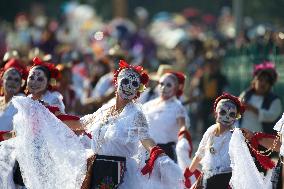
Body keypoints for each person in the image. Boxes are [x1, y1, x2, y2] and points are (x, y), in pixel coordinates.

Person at [1, 60, 183, 189]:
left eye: (134, 84)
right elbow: (80, 123)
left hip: (120, 174)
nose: (128, 86)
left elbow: (146, 137)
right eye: (125, 81)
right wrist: (48, 114)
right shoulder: (106, 110)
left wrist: (156, 154)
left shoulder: (136, 114)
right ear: (116, 83)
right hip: (95, 169)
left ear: (138, 91)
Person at [184, 93, 245, 189]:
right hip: (207, 178)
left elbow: (241, 163)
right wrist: (188, 173)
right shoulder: (210, 131)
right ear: (216, 113)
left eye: (232, 114)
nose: (227, 117)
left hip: (225, 181)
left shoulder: (235, 136)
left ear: (235, 118)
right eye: (223, 112)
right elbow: (199, 154)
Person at [143, 71, 190, 161]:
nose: (163, 87)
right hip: (146, 151)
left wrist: (183, 139)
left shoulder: (177, 107)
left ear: (176, 88)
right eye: (161, 84)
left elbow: (182, 127)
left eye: (168, 85)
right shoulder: (148, 105)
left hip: (165, 153)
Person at [239, 61, 282, 134]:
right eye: (261, 79)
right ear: (254, 81)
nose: (263, 83)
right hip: (242, 136)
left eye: (267, 81)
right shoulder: (246, 94)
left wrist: (253, 109)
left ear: (270, 85)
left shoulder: (274, 100)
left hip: (263, 140)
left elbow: (271, 117)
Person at [0, 58, 27, 141]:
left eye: (16, 80)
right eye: (9, 78)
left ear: (20, 85)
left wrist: (2, 137)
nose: (12, 82)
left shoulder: (22, 101)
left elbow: (23, 132)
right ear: (2, 81)